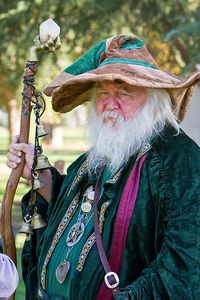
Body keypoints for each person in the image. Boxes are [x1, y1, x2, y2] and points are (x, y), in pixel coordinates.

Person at [7, 34, 200, 299]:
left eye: (124, 92)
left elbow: (185, 265)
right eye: (103, 93)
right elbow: (73, 210)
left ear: (154, 98)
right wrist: (40, 175)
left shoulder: (180, 160)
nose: (110, 104)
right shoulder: (97, 156)